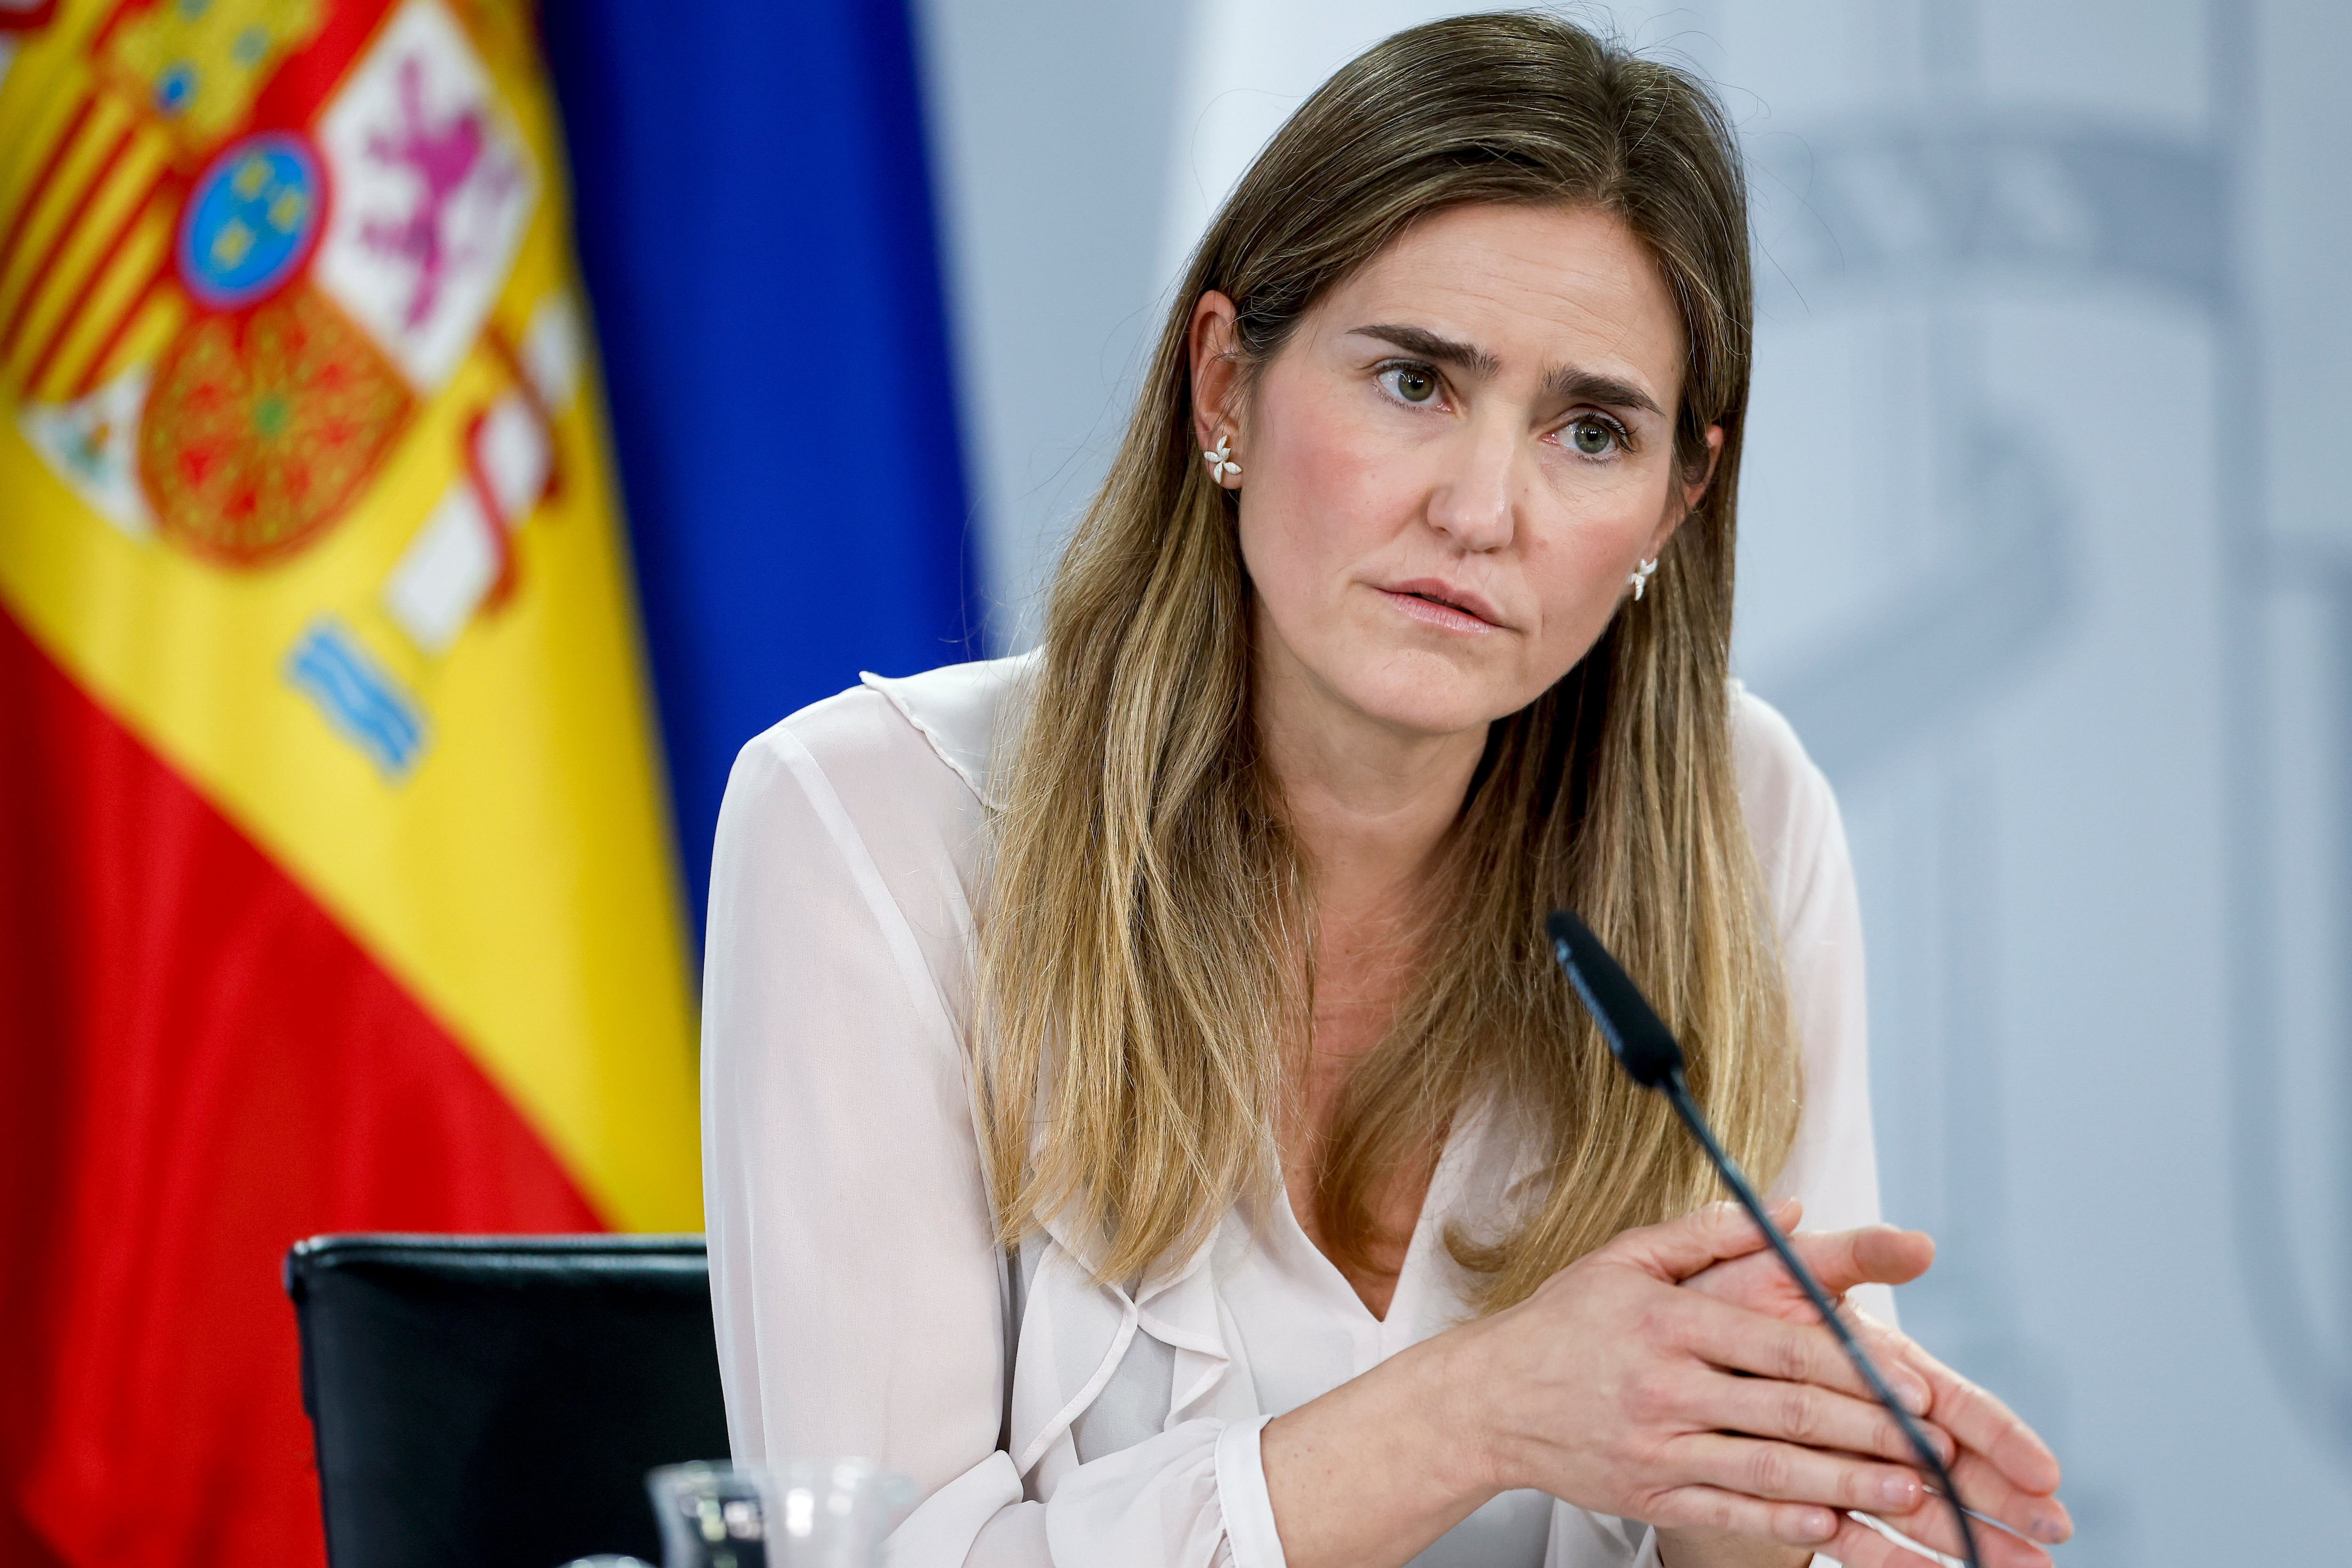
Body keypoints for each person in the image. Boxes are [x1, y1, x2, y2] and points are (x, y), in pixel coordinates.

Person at [701, 15, 2070, 1568]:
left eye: (1592, 431)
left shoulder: (1744, 823)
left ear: (1672, 509)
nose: (1484, 509)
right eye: (1418, 383)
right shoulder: (871, 824)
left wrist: (1800, 1499)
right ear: (1226, 384)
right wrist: (1486, 1408)